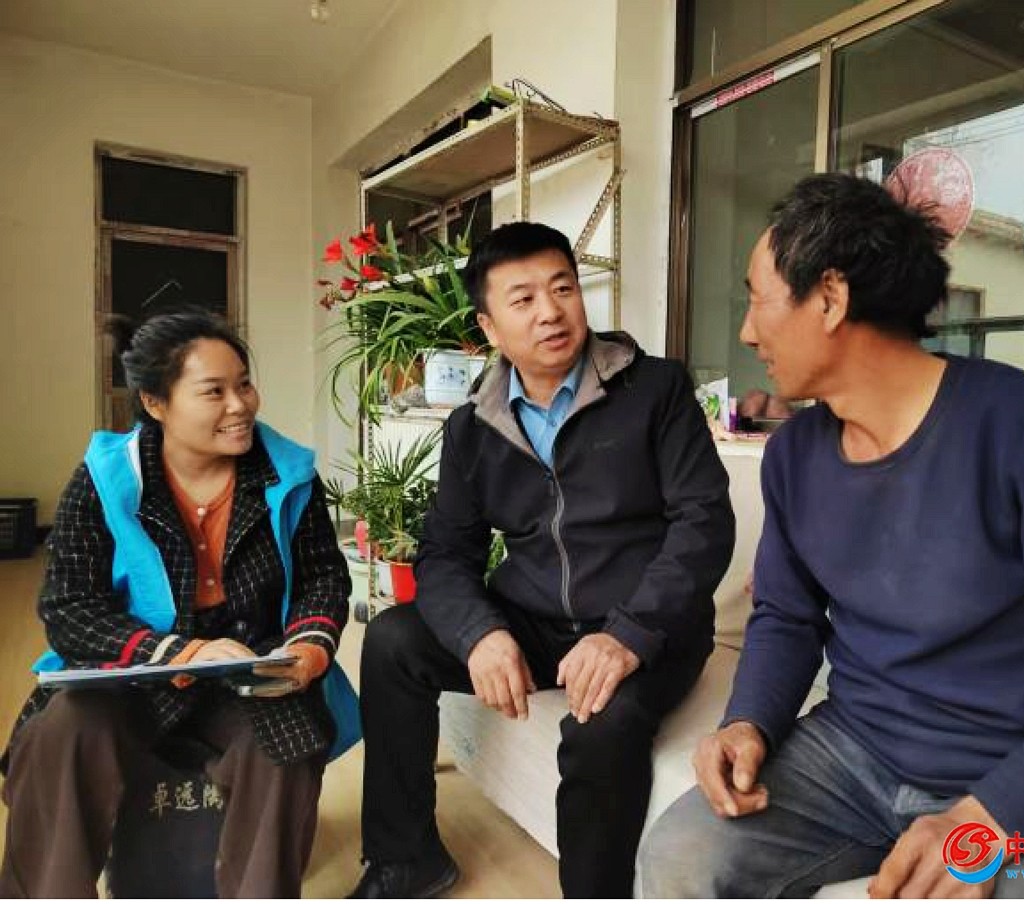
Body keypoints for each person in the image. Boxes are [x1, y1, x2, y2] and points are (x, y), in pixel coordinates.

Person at [638, 173, 1024, 898]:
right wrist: (749, 722)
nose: (747, 331)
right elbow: (785, 615)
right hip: (855, 753)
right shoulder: (795, 454)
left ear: (830, 298)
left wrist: (991, 816)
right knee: (681, 857)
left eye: (757, 298)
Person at [350, 221, 735, 899]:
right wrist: (480, 633)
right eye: (523, 299)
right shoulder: (472, 426)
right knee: (391, 642)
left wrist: (628, 635)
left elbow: (703, 523)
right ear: (489, 327)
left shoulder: (654, 390)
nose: (550, 312)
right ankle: (405, 858)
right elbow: (446, 552)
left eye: (562, 288)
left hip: (647, 625)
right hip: (533, 621)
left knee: (601, 729)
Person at [0, 311, 358, 898]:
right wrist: (177, 652)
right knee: (63, 731)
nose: (240, 405)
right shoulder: (105, 480)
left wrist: (308, 647)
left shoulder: (287, 475)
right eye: (213, 391)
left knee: (286, 745)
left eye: (244, 384)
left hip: (246, 673)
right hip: (133, 676)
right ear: (155, 403)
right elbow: (69, 609)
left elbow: (322, 576)